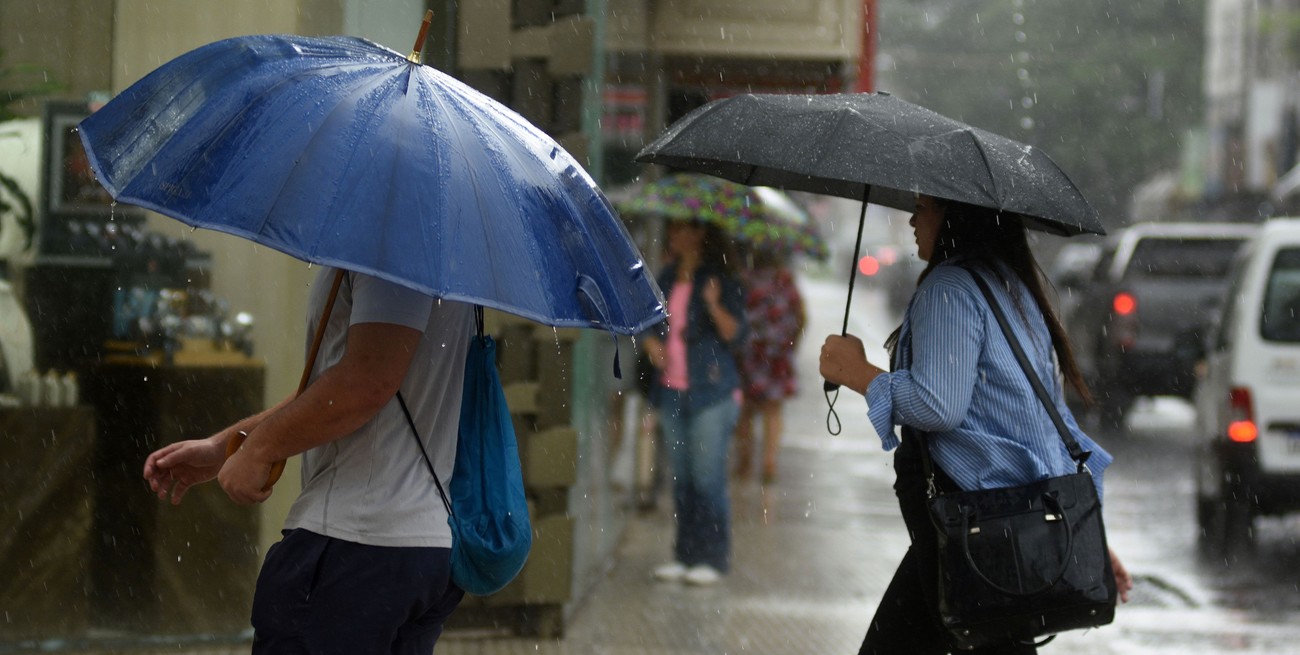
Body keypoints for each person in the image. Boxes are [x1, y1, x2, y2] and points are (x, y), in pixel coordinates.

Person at [819, 195, 1134, 655]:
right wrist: (1079, 528)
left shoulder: (951, 288)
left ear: (956, 215)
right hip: (1000, 526)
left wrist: (859, 373)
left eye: (925, 206)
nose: (912, 217)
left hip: (975, 528)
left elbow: (937, 405)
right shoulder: (1012, 287)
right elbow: (1045, 425)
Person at [143, 268, 474, 653]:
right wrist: (229, 445)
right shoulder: (441, 250)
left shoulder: (388, 239)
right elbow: (340, 382)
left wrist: (260, 449)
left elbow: (366, 383)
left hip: (354, 546)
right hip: (418, 546)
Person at [641, 218, 747, 586]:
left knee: (707, 478)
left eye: (681, 227)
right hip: (671, 390)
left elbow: (737, 336)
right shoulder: (667, 276)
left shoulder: (720, 278)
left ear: (700, 233)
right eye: (673, 228)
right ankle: (685, 555)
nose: (673, 232)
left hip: (711, 393)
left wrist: (714, 305)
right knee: (682, 479)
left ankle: (712, 558)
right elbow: (651, 325)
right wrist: (651, 343)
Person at [734, 247, 806, 484]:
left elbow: (737, 314)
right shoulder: (785, 281)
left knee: (746, 410)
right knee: (773, 410)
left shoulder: (743, 280)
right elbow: (801, 316)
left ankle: (745, 462)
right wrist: (791, 342)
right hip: (777, 353)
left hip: (749, 352)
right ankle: (769, 463)